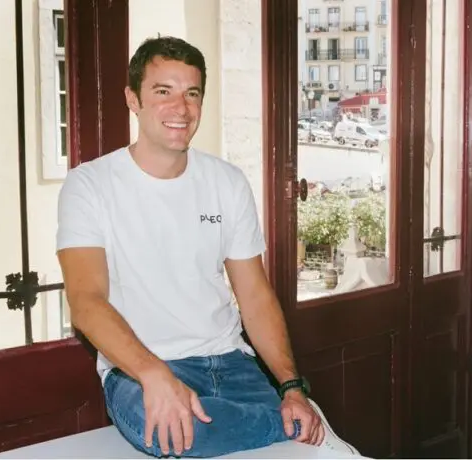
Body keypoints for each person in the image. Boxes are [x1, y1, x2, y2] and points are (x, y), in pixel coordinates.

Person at [56, 36, 359, 458]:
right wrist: (154, 375)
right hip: (140, 369)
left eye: (192, 93)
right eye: (163, 91)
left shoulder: (226, 182)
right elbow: (86, 301)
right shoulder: (89, 185)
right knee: (176, 434)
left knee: (255, 424)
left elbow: (254, 295)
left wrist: (291, 387)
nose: (181, 108)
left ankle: (282, 421)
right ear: (133, 99)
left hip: (229, 361)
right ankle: (287, 426)